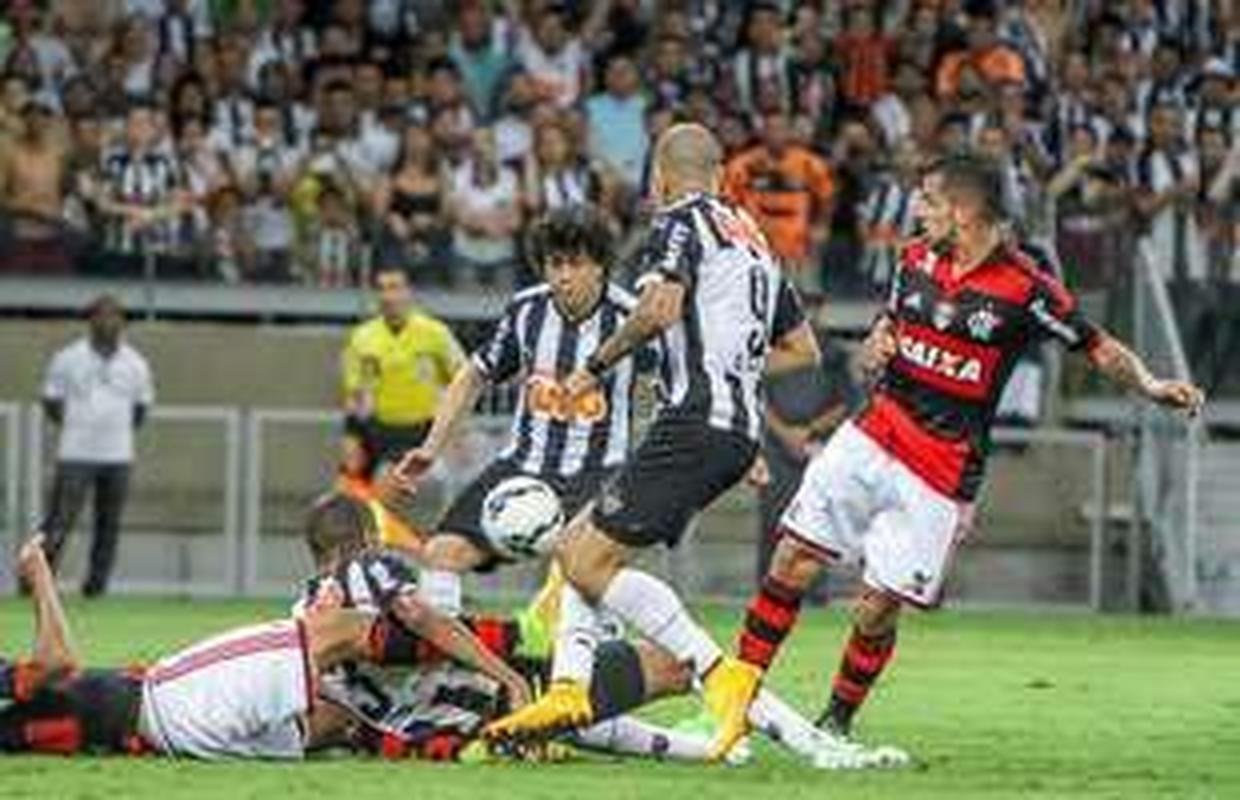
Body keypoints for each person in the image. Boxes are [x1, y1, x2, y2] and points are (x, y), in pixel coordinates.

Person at [726, 153, 1204, 755]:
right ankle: (732, 705)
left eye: (927, 199)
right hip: (874, 432)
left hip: (941, 468)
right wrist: (879, 341)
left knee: (875, 609)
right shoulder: (913, 258)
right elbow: (890, 324)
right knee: (791, 559)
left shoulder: (1025, 288)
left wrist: (1154, 385)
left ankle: (836, 724)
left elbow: (1098, 347)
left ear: (963, 210)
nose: (917, 210)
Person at [482, 123, 822, 763]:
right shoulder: (755, 243)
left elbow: (659, 310)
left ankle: (720, 677)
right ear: (722, 174)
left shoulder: (677, 222)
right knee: (578, 546)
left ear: (659, 177)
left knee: (585, 560)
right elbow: (802, 351)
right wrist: (732, 388)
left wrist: (591, 367)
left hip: (695, 422)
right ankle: (568, 688)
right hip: (727, 426)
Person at [0, 533, 529, 760]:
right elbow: (57, 662)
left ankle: (469, 735)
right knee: (337, 632)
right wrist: (41, 575)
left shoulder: (20, 727)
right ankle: (512, 657)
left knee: (333, 720)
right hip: (169, 703)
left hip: (174, 731)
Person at [395, 205, 656, 613]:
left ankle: (589, 666)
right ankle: (448, 672)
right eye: (555, 264)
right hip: (522, 467)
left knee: (579, 574)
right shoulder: (526, 310)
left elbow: (681, 385)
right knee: (440, 554)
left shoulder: (632, 320)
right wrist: (431, 448)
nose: (563, 276)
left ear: (601, 265)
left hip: (598, 474)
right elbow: (472, 376)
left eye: (576, 263)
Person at [38, 295, 154, 597]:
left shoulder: (136, 363)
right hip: (76, 452)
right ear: (89, 320)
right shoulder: (68, 358)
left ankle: (96, 586)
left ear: (123, 323)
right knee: (59, 521)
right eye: (101, 316)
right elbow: (51, 402)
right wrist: (80, 425)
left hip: (117, 455)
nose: (108, 322)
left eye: (114, 316)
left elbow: (140, 410)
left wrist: (111, 429)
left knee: (109, 524)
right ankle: (40, 584)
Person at [340, 266, 464, 488]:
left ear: (409, 292)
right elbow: (353, 393)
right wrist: (352, 436)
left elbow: (463, 380)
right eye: (381, 289)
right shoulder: (362, 337)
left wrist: (455, 429)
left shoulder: (435, 333)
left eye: (395, 288)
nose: (388, 296)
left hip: (424, 429)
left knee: (401, 490)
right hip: (378, 427)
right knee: (350, 487)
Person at [722, 109, 835, 277]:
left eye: (781, 129)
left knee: (799, 291)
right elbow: (728, 201)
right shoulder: (743, 164)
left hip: (798, 240)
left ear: (790, 132)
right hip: (755, 239)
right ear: (762, 132)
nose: (776, 134)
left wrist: (821, 226)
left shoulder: (809, 164)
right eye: (770, 129)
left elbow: (827, 196)